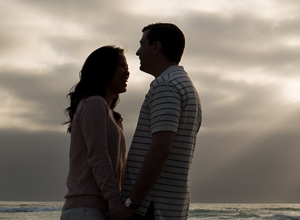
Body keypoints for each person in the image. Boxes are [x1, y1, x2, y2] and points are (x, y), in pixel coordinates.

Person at [108, 23, 202, 220]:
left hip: (149, 206)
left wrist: (131, 203)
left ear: (157, 47)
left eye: (142, 44)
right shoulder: (185, 85)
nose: (137, 52)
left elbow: (161, 147)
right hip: (168, 206)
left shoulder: (166, 86)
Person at [62, 46, 130, 220]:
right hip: (86, 210)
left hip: (100, 209)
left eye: (127, 67)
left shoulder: (113, 116)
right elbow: (98, 156)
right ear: (104, 68)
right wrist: (115, 201)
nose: (127, 73)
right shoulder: (94, 103)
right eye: (121, 66)